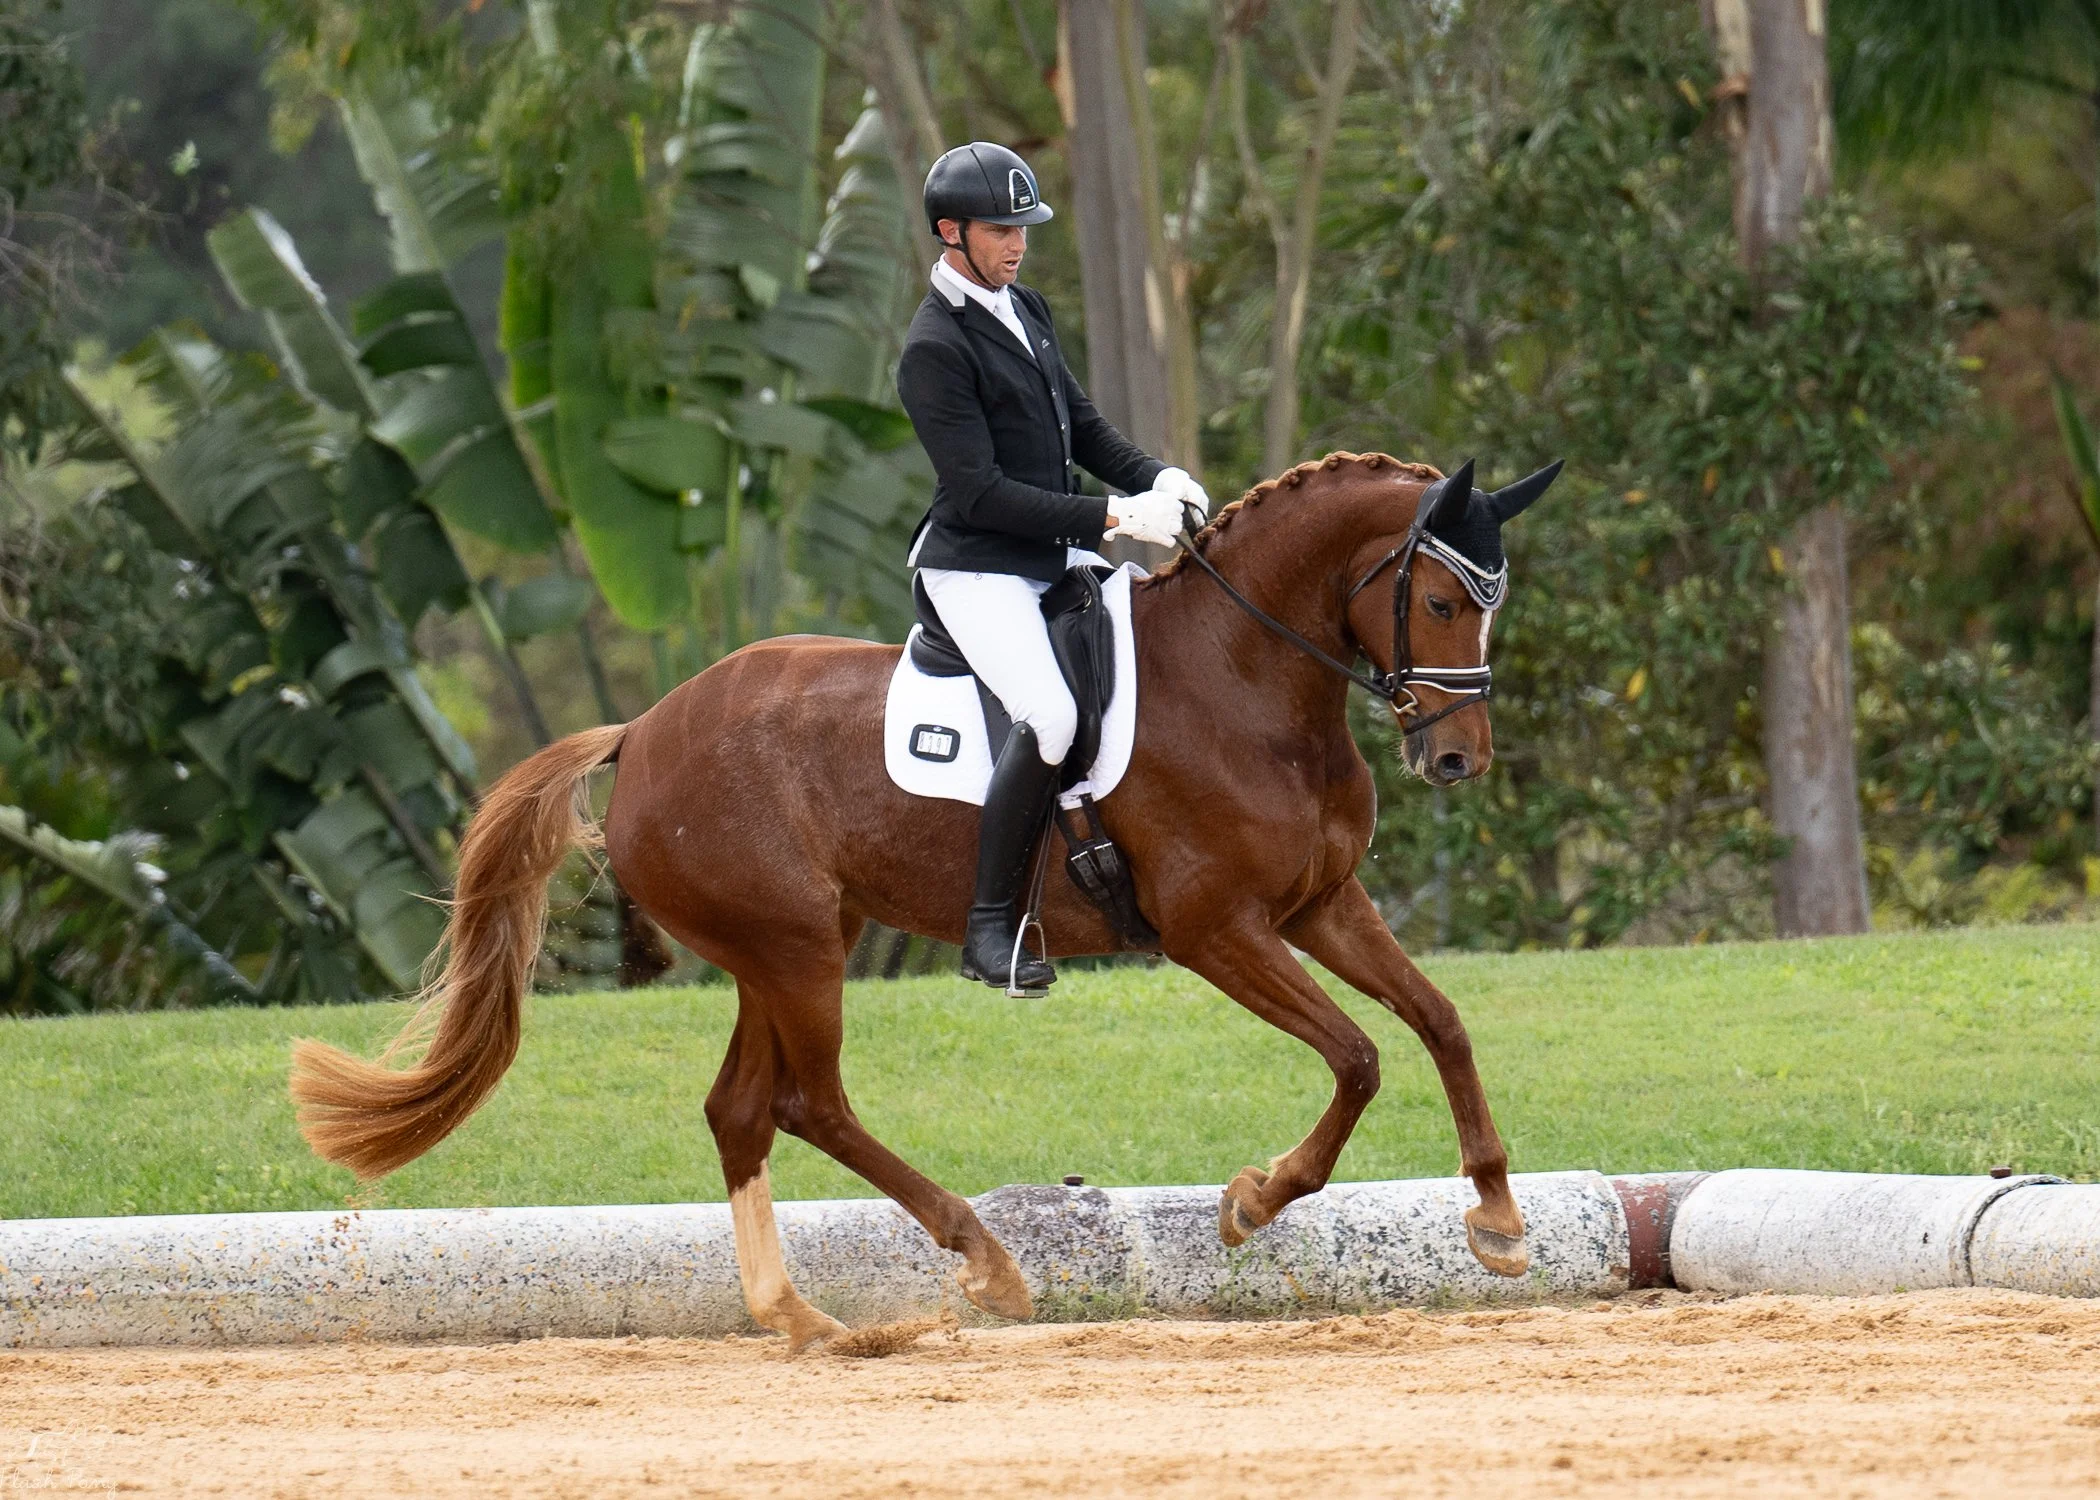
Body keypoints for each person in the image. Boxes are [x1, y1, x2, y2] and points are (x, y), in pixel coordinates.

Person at [896, 141, 1208, 994]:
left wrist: (1156, 478)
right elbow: (983, 493)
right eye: (1001, 229)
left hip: (1051, 552)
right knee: (1052, 716)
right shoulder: (933, 348)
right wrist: (1114, 515)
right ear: (950, 232)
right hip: (981, 568)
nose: (1018, 243)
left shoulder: (1023, 306)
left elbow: (1084, 425)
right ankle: (989, 930)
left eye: (1024, 227)